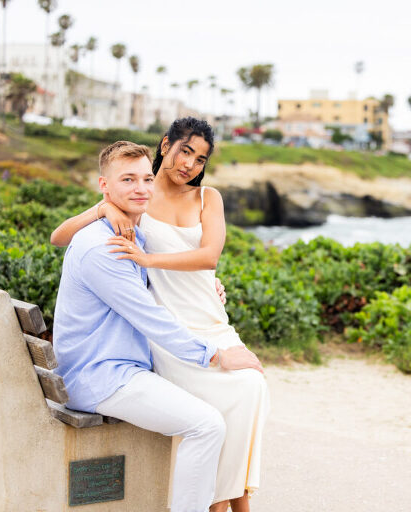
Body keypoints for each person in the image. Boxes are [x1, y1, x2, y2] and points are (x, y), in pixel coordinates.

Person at [51, 119, 269, 512]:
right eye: (185, 151)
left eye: (200, 158)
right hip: (123, 361)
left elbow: (206, 258)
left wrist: (207, 283)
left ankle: (232, 505)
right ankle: (218, 506)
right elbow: (146, 311)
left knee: (251, 389)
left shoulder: (161, 208)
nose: (190, 163)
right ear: (166, 145)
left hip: (193, 321)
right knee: (214, 416)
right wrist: (102, 209)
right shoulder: (120, 228)